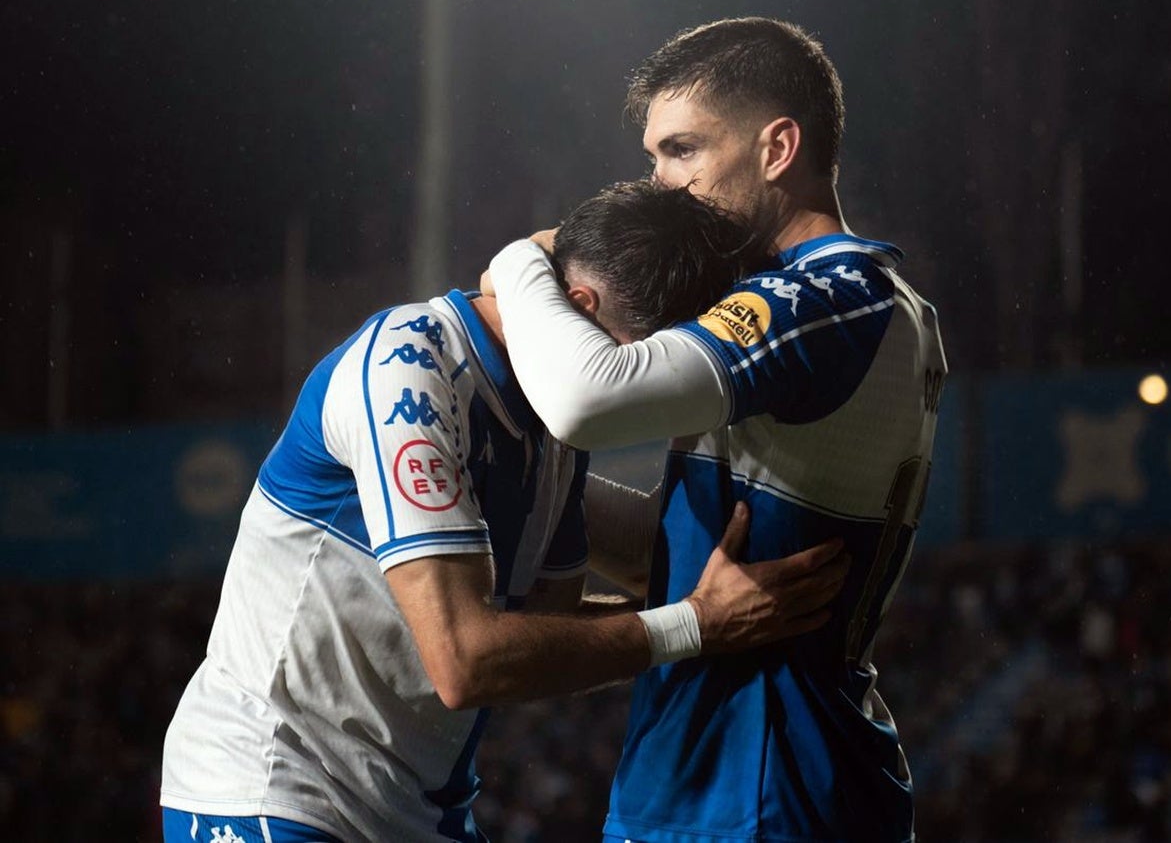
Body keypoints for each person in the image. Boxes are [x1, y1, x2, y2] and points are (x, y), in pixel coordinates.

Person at [159, 181, 848, 843]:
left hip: (416, 812)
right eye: (639, 364)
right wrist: (695, 625)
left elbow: (534, 633)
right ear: (578, 306)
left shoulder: (552, 426)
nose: (638, 398)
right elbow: (465, 661)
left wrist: (714, 610)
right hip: (272, 789)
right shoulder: (408, 369)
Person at [486, 18, 947, 842]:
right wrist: (515, 493)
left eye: (684, 149)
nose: (661, 184)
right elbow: (707, 548)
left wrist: (526, 256)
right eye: (656, 156)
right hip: (735, 773)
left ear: (777, 149)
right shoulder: (862, 301)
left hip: (758, 785)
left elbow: (587, 400)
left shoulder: (827, 297)